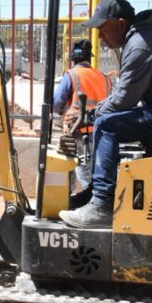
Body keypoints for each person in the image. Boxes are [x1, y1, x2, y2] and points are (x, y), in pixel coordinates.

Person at [59, 0, 152, 228]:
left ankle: (102, 205)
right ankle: (96, 194)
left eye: (102, 29)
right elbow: (126, 96)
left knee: (107, 124)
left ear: (120, 24)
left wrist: (88, 116)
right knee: (108, 120)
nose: (99, 37)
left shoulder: (140, 43)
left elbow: (124, 99)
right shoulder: (143, 39)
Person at [53, 39, 112, 190]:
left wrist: (63, 112)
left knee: (82, 172)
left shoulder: (72, 75)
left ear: (73, 58)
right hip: (103, 132)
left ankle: (91, 204)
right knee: (97, 173)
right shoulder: (104, 78)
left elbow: (56, 102)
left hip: (80, 132)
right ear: (89, 57)